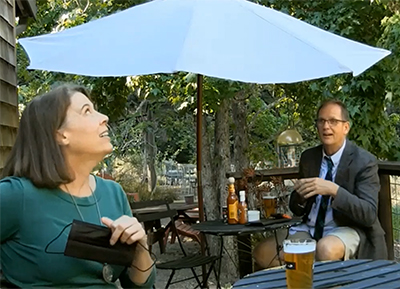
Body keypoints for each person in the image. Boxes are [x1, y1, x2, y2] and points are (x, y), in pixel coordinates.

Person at [0, 85, 155, 288]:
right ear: (60, 134)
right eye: (87, 111)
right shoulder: (15, 195)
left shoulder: (113, 193)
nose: (104, 117)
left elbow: (137, 286)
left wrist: (140, 248)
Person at [253, 99, 387, 268]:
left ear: (346, 127)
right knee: (262, 252)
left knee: (325, 249)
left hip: (346, 227)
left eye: (333, 121)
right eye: (321, 121)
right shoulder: (309, 157)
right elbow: (296, 208)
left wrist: (334, 190)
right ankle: (304, 279)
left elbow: (368, 214)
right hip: (308, 228)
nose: (326, 126)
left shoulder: (364, 161)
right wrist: (300, 196)